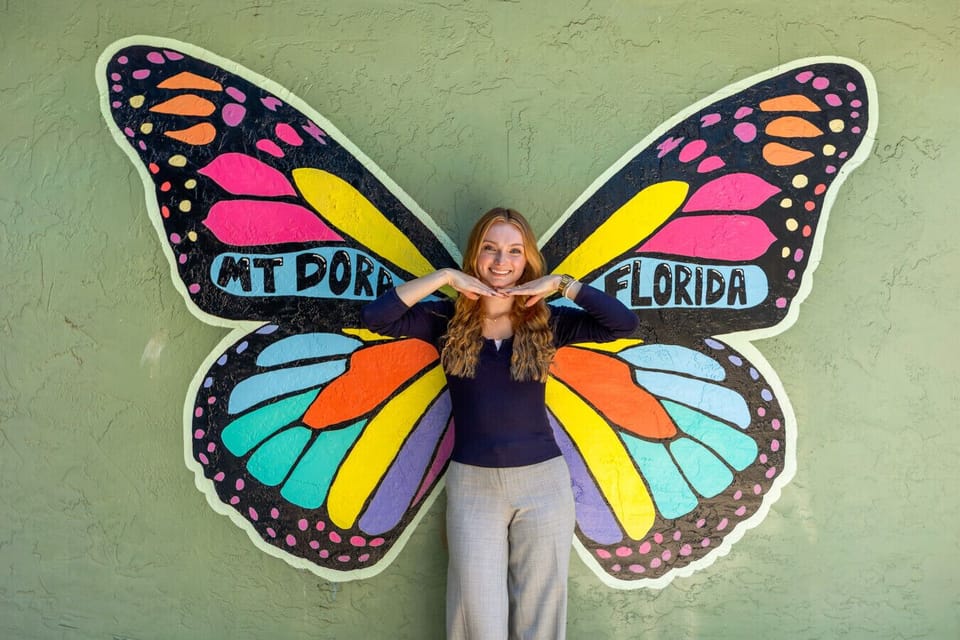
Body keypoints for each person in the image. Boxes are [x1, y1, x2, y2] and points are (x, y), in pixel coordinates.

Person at [361, 207, 638, 640]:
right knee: (477, 620)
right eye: (490, 249)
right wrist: (444, 277)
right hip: (473, 486)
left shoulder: (548, 322)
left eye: (514, 251)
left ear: (527, 259)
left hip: (544, 485)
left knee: (541, 620)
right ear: (475, 255)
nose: (501, 261)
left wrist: (561, 284)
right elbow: (375, 317)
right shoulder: (446, 321)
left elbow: (623, 323)